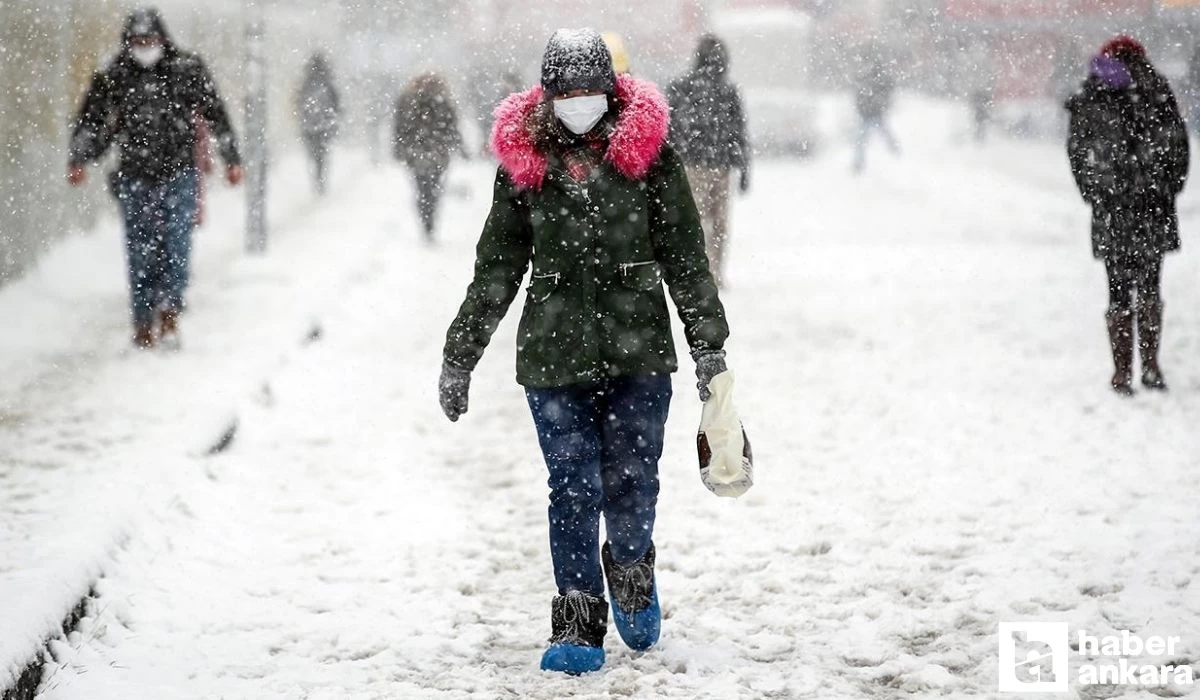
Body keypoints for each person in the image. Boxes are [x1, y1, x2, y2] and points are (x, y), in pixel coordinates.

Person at [438, 29, 731, 675]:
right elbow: (496, 266)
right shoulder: (525, 165)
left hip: (640, 353)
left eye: (589, 90)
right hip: (552, 356)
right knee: (572, 487)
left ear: (611, 89)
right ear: (549, 94)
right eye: (566, 91)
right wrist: (461, 353)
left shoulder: (651, 159)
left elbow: (686, 259)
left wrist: (710, 349)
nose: (578, 101)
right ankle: (576, 621)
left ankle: (630, 568)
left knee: (632, 482)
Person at [68, 8, 242, 350]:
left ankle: (170, 311)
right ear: (127, 43)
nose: (144, 47)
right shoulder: (114, 74)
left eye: (149, 40)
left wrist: (231, 158)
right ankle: (143, 318)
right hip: (135, 175)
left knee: (176, 245)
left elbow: (216, 112)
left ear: (162, 39)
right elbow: (91, 119)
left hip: (180, 172)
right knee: (140, 249)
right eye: (137, 42)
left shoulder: (186, 69)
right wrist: (80, 157)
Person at [1066, 36, 1188, 395]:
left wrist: (1094, 191)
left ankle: (1122, 373)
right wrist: (1167, 187)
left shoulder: (1094, 92)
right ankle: (1150, 365)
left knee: (1117, 290)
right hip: (1153, 205)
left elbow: (1077, 149)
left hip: (1112, 208)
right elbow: (1178, 145)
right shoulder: (1157, 88)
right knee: (1151, 285)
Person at [666, 34, 750, 288]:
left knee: (694, 222)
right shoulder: (728, 91)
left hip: (692, 165)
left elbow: (670, 130)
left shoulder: (681, 87)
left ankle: (696, 272)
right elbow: (739, 132)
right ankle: (714, 272)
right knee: (718, 224)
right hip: (719, 167)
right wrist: (744, 167)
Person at [392, 73, 463, 241]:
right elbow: (452, 127)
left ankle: (426, 218)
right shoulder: (443, 100)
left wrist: (399, 147)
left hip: (416, 152)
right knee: (433, 188)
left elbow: (400, 127)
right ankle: (430, 217)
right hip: (437, 152)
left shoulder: (407, 100)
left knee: (421, 188)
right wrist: (459, 146)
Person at [295, 52, 340, 195]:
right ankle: (320, 178)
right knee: (322, 153)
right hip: (324, 125)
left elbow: (299, 101)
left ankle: (317, 177)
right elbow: (336, 103)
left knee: (314, 153)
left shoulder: (307, 82)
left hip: (309, 125)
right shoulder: (326, 81)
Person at [853, 51, 900, 173]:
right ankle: (895, 152)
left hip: (871, 113)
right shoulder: (875, 81)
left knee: (864, 139)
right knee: (874, 136)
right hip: (871, 113)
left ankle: (895, 153)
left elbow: (860, 96)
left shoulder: (870, 81)